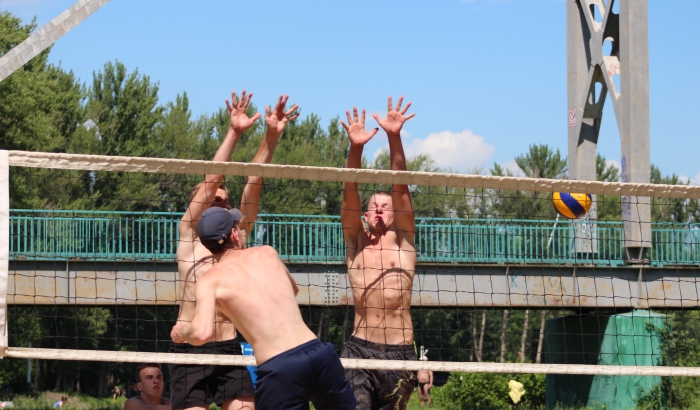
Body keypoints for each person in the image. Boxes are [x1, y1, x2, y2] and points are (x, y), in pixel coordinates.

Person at [171, 90, 298, 410]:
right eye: (214, 200)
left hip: (228, 349)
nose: (221, 204)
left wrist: (271, 135)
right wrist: (234, 131)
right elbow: (213, 177)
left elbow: (254, 182)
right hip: (190, 350)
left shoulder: (236, 236)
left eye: (225, 202)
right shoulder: (188, 235)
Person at [170, 207, 356, 410]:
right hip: (319, 354)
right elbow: (293, 289)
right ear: (234, 234)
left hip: (281, 367)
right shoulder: (267, 252)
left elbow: (201, 333)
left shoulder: (209, 280)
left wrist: (182, 332)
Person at [339, 97, 418, 409]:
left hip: (399, 354)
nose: (380, 210)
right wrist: (356, 148)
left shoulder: (404, 243)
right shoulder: (355, 242)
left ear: (396, 215)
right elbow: (349, 191)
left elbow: (401, 187)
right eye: (374, 206)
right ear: (365, 214)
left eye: (386, 207)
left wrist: (393, 136)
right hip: (359, 350)